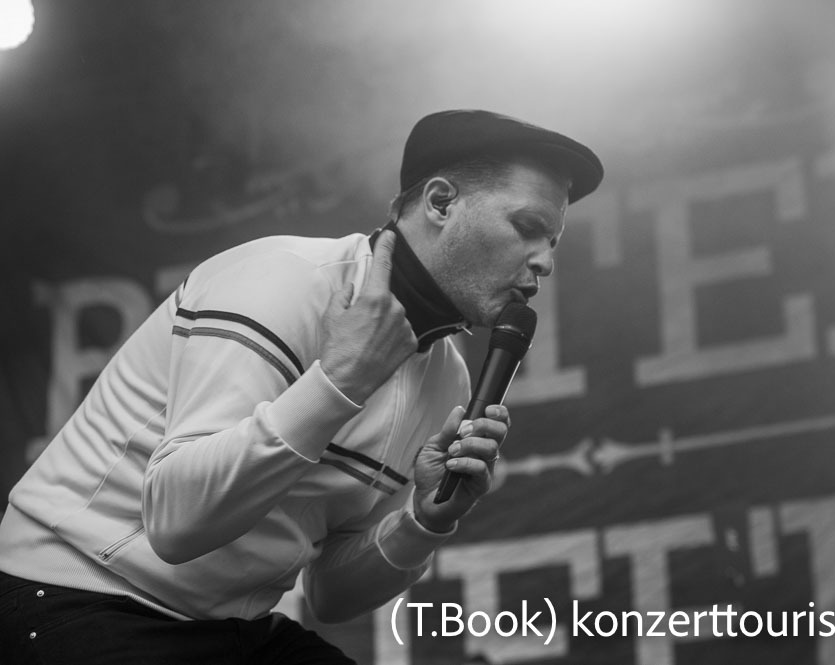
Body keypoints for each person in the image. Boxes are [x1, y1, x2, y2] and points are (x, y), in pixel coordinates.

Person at [0, 109, 603, 664]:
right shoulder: (281, 280)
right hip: (75, 594)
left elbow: (330, 596)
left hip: (230, 628)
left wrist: (423, 520)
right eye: (528, 227)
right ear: (441, 202)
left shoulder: (447, 377)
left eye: (552, 242)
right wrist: (340, 383)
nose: (544, 260)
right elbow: (177, 525)